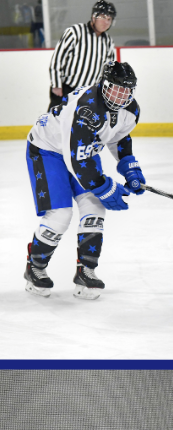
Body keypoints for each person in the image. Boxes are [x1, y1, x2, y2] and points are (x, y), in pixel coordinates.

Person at [25, 60, 142, 299]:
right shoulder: (85, 107)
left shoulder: (131, 110)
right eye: (116, 89)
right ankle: (35, 267)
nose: (121, 96)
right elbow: (75, 161)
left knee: (94, 208)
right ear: (104, 85)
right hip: (48, 150)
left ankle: (86, 271)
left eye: (126, 90)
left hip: (82, 150)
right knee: (60, 215)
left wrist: (129, 166)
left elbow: (118, 136)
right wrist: (104, 187)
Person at [47, 0, 117, 110]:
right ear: (93, 17)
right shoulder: (75, 32)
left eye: (109, 19)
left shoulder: (108, 41)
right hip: (66, 90)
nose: (106, 22)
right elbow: (58, 60)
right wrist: (56, 85)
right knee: (55, 120)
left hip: (89, 95)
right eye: (103, 17)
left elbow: (108, 70)